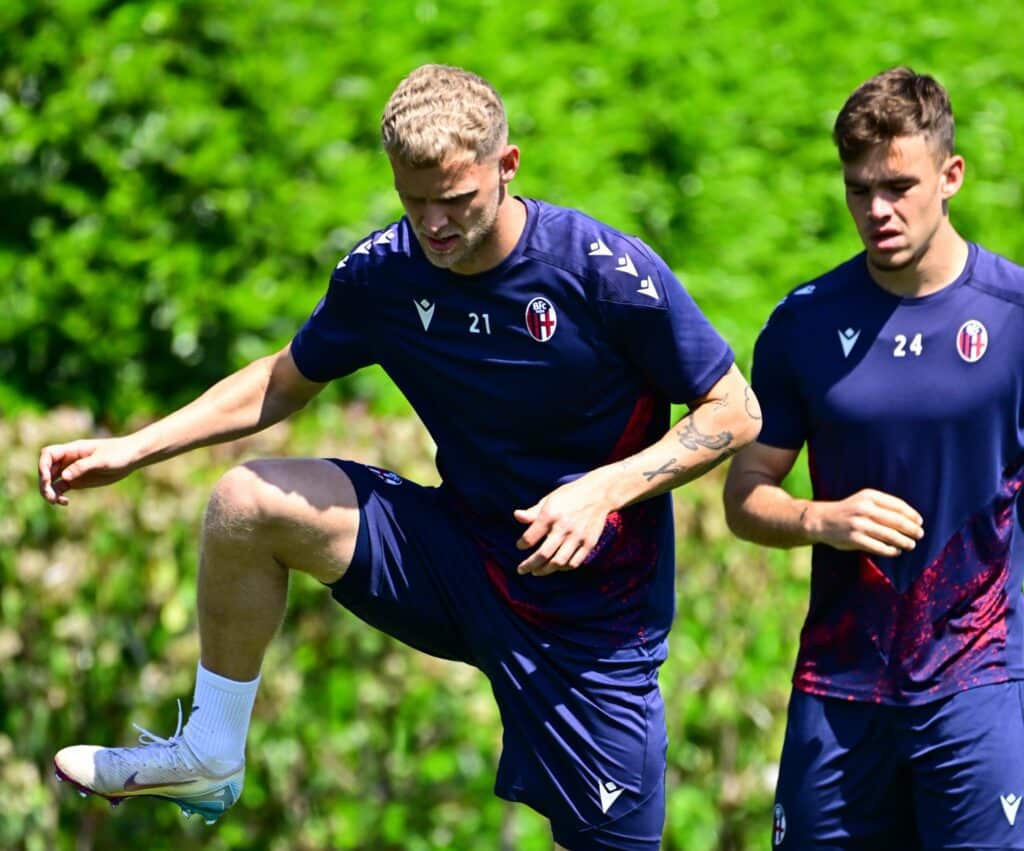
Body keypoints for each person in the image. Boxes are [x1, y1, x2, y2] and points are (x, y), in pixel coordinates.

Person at [39, 64, 760, 851]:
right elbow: (283, 381)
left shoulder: (601, 271)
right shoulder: (385, 272)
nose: (435, 225)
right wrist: (134, 449)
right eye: (414, 203)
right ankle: (210, 749)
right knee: (248, 503)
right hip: (455, 560)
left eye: (456, 201)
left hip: (592, 624)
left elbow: (735, 409)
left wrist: (604, 491)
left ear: (507, 165)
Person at [723, 66, 1024, 850]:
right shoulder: (802, 324)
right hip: (839, 685)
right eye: (859, 189)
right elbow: (746, 494)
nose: (877, 210)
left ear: (951, 175)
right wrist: (821, 518)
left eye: (899, 185)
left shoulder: (1015, 318)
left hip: (980, 680)